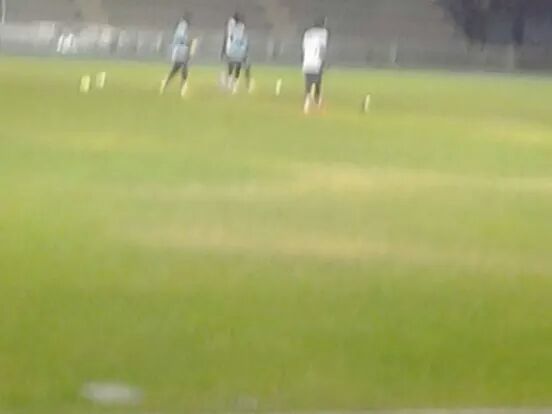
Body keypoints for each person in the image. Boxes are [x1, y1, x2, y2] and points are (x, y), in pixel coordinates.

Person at [160, 13, 194, 96]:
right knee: (182, 68)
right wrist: (189, 42)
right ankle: (182, 90)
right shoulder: (183, 26)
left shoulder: (181, 26)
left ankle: (166, 84)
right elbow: (180, 38)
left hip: (179, 49)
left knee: (177, 69)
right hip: (180, 49)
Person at [302, 17, 329, 113]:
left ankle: (306, 103)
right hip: (316, 62)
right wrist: (323, 62)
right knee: (318, 83)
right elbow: (322, 49)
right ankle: (317, 102)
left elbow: (304, 48)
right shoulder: (323, 33)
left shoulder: (307, 33)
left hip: (306, 62)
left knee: (308, 84)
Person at [221, 12, 251, 93]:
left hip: (232, 49)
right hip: (239, 50)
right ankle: (234, 87)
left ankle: (230, 85)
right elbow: (243, 39)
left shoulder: (232, 26)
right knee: (238, 68)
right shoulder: (241, 27)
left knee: (231, 67)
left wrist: (224, 51)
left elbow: (228, 36)